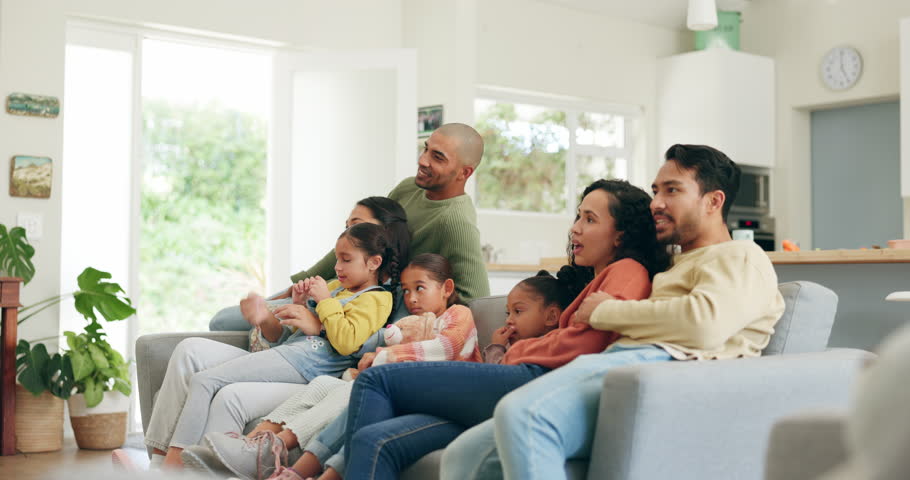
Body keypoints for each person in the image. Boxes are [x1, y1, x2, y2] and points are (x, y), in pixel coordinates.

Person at [442, 144, 787, 480]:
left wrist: (606, 311)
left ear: (713, 201)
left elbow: (704, 324)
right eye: (655, 191)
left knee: (523, 415)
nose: (657, 203)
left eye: (672, 190)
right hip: (624, 363)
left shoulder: (740, 256)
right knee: (466, 453)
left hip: (661, 367)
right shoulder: (674, 265)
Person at [340, 179, 670, 479]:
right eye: (578, 217)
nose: (575, 230)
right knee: (376, 441)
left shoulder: (628, 270)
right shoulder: (598, 278)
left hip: (535, 380)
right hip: (523, 379)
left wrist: (519, 350)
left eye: (590, 220)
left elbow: (586, 344)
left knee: (376, 379)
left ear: (620, 234)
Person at [184, 254, 483, 480]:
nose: (412, 298)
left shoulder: (458, 315)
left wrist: (381, 357)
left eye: (420, 288)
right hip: (393, 385)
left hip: (428, 394)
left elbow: (444, 348)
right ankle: (255, 444)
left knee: (350, 394)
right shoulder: (406, 323)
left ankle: (285, 459)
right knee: (324, 386)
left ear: (446, 288)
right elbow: (384, 353)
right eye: (405, 291)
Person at [134, 222, 404, 471]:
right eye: (337, 259)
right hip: (289, 355)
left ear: (374, 262)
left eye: (346, 260)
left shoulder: (377, 299)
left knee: (206, 381)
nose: (337, 267)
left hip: (309, 367)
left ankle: (171, 469)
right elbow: (287, 339)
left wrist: (323, 303)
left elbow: (347, 342)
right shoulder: (335, 288)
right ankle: (166, 460)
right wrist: (279, 312)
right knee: (190, 348)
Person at [210, 123, 490, 331]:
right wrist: (300, 284)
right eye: (425, 148)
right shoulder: (409, 188)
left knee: (225, 322)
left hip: (374, 306)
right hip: (346, 287)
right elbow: (358, 241)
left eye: (438, 157)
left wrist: (408, 322)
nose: (423, 160)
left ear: (464, 172)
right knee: (225, 319)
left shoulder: (457, 223)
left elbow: (476, 302)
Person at [210, 196, 412, 331]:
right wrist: (287, 299)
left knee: (222, 321)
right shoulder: (341, 279)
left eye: (356, 225)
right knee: (223, 319)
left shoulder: (389, 294)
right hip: (302, 305)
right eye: (347, 226)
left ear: (386, 232)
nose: (348, 232)